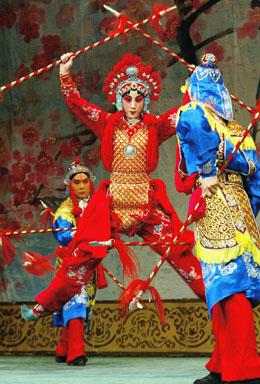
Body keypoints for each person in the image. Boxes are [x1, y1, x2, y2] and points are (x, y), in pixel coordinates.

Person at [21, 53, 205, 322]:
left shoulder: (155, 126)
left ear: (146, 100)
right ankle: (44, 305)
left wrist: (195, 81)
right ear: (120, 99)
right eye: (127, 98)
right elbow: (77, 104)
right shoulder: (106, 122)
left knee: (180, 251)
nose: (132, 105)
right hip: (112, 204)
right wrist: (65, 73)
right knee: (80, 255)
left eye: (138, 99)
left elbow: (185, 114)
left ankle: (218, 297)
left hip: (146, 203)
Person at [175, 53, 260, 384]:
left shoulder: (197, 114)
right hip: (240, 208)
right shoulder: (239, 130)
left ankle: (246, 369)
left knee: (228, 288)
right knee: (224, 289)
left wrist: (208, 171)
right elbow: (256, 182)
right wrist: (248, 214)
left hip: (216, 204)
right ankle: (224, 363)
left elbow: (191, 123)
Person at [51, 159, 99, 366]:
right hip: (70, 265)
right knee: (75, 304)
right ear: (70, 186)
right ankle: (76, 353)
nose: (81, 186)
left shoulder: (97, 205)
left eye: (85, 182)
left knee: (84, 304)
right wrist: (85, 234)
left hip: (90, 264)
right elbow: (62, 236)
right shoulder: (64, 210)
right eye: (77, 182)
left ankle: (63, 350)